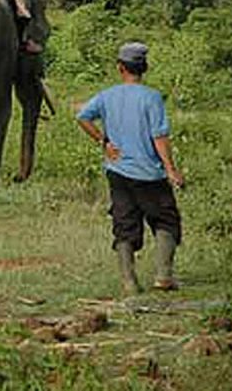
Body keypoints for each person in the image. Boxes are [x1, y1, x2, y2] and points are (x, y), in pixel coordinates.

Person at [76, 42, 185, 294]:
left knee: (124, 223)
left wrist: (103, 141)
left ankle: (129, 282)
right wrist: (170, 169)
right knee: (166, 220)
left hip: (118, 172)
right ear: (144, 68)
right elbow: (159, 136)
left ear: (120, 68)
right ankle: (163, 276)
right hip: (150, 173)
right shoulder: (152, 97)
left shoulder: (106, 96)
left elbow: (81, 117)